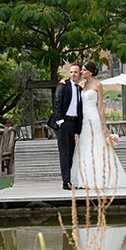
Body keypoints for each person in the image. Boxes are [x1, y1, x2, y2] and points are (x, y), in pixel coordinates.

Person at [70, 60, 126, 190]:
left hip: (94, 117)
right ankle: (85, 178)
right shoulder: (81, 85)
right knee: (85, 145)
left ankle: (102, 177)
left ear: (91, 72)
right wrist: (63, 81)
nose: (82, 72)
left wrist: (105, 126)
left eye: (84, 70)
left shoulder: (98, 85)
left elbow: (101, 107)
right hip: (83, 120)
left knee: (98, 145)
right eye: (81, 69)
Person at [51, 63, 84, 191]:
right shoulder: (63, 85)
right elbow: (57, 103)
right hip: (63, 123)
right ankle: (66, 182)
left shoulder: (80, 89)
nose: (73, 74)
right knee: (64, 153)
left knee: (71, 153)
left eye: (75, 72)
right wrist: (60, 121)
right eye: (71, 72)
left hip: (75, 124)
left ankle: (71, 179)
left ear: (80, 74)